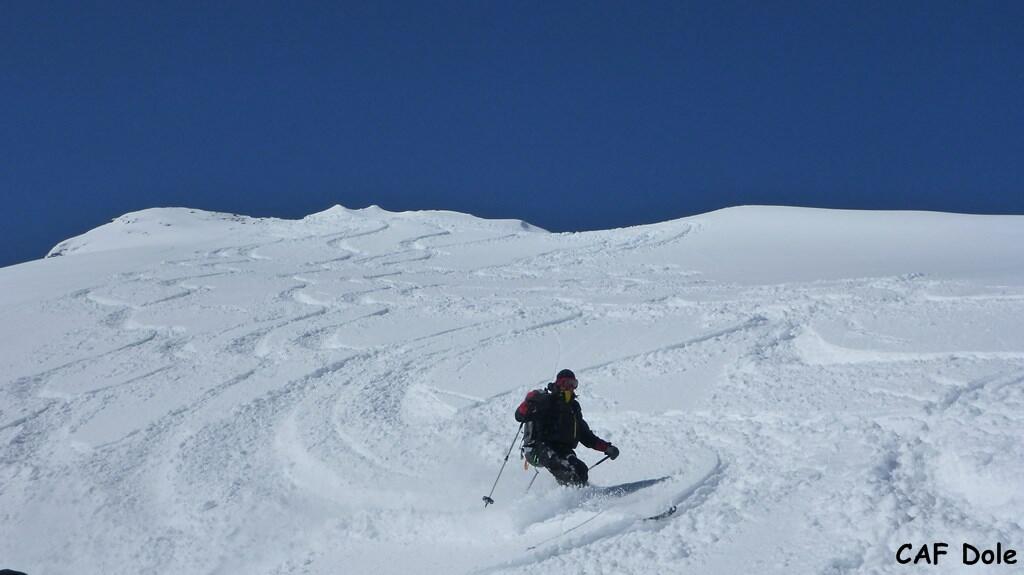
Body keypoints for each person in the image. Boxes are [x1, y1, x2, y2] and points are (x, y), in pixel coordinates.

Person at [514, 368, 619, 486]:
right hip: (539, 448)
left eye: (573, 384)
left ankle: (575, 492)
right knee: (562, 466)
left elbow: (586, 435)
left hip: (562, 449)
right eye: (566, 383)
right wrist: (529, 402)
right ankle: (570, 492)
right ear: (558, 384)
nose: (570, 387)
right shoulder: (546, 401)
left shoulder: (573, 408)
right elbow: (519, 416)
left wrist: (606, 448)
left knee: (580, 469)